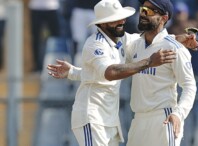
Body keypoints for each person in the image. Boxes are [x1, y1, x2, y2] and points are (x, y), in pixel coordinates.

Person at [47, 0, 176, 146]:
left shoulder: (121, 39)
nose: (122, 21)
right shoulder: (95, 44)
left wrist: (181, 40)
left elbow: (153, 39)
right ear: (102, 24)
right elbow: (110, 72)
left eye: (121, 17)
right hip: (92, 117)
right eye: (115, 19)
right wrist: (148, 62)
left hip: (109, 119)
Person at [125, 0, 196, 146]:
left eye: (150, 11)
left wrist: (178, 113)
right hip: (138, 120)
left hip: (163, 119)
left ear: (164, 18)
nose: (143, 14)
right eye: (142, 9)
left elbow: (190, 86)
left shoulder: (174, 48)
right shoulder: (134, 45)